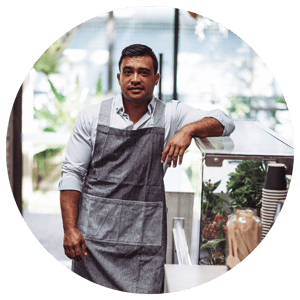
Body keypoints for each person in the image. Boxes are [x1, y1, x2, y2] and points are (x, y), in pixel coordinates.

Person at [59, 44, 235, 294]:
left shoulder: (171, 115)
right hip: (94, 241)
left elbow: (224, 121)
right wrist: (70, 229)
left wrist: (188, 130)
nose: (135, 79)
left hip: (144, 241)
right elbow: (72, 173)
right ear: (119, 77)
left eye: (143, 72)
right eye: (128, 72)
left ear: (156, 78)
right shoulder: (92, 117)